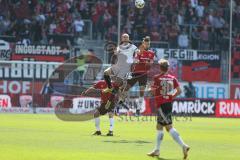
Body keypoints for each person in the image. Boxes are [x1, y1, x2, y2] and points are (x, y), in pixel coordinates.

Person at [147, 59, 190, 159]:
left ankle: (184, 146)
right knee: (159, 126)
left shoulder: (157, 78)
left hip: (161, 105)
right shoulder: (173, 78)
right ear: (168, 68)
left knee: (169, 127)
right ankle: (157, 150)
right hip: (168, 104)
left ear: (160, 67)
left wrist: (149, 90)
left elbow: (152, 92)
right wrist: (171, 97)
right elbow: (179, 91)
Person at [126, 36, 155, 115]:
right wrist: (141, 61)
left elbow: (150, 63)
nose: (147, 45)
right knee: (126, 88)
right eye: (145, 44)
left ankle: (138, 110)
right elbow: (136, 61)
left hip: (144, 74)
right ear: (143, 44)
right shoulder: (138, 51)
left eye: (148, 44)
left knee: (141, 91)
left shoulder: (151, 53)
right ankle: (123, 105)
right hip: (135, 73)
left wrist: (147, 63)